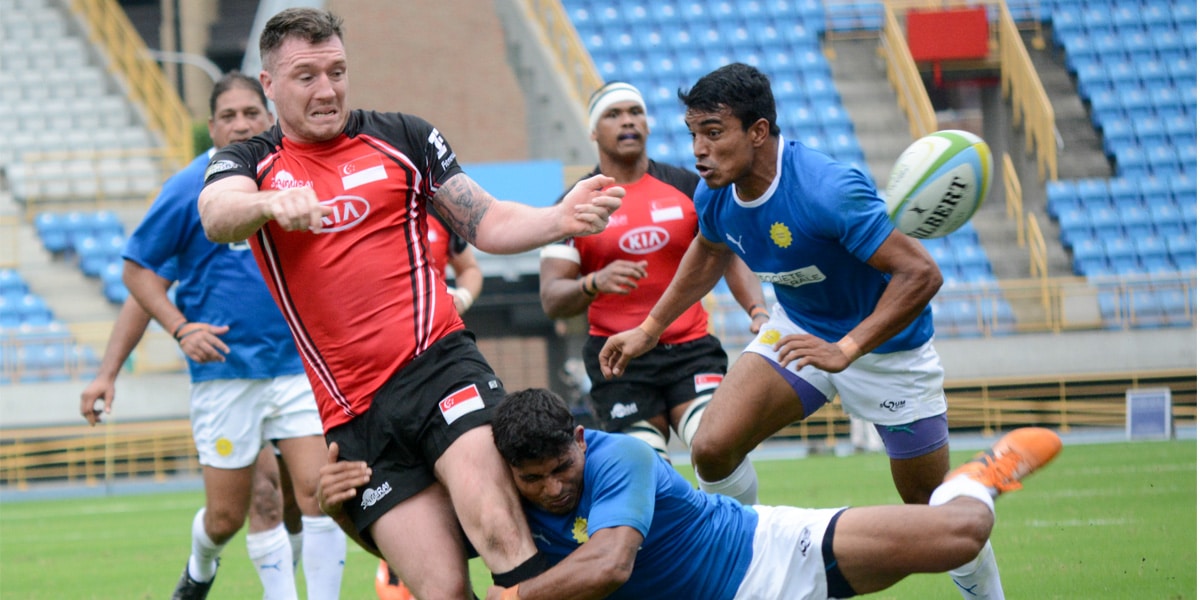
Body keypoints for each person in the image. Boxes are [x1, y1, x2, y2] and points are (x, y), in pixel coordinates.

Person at [196, 8, 623, 600]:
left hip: (440, 369)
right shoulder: (251, 161)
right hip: (356, 415)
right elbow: (217, 215)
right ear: (269, 85)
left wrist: (557, 219)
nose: (328, 90)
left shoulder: (404, 136)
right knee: (441, 591)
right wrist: (268, 206)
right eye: (306, 76)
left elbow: (487, 219)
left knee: (503, 539)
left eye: (337, 71)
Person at [597, 62, 1005, 598]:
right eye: (694, 134)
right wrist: (651, 328)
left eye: (713, 133)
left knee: (934, 511)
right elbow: (710, 249)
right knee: (713, 447)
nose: (698, 149)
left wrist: (850, 347)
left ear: (758, 131)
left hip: (888, 354)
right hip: (799, 333)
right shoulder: (716, 193)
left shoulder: (827, 190)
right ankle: (736, 564)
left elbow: (921, 273)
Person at [317, 388, 1063, 600]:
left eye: (560, 470)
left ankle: (977, 478)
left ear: (580, 441)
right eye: (533, 480)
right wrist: (352, 508)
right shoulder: (506, 503)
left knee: (957, 538)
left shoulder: (619, 459)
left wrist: (519, 598)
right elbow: (422, 559)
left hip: (771, 559)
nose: (551, 488)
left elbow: (609, 565)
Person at [120, 71, 345, 600]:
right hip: (224, 374)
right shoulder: (186, 189)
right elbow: (138, 271)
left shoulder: (295, 175)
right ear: (211, 127)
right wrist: (180, 329)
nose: (241, 124)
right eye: (229, 115)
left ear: (269, 116)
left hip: (298, 367)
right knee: (228, 516)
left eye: (251, 113)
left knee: (318, 494)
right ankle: (201, 568)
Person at [539, 81, 768, 480]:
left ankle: (742, 537)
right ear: (594, 131)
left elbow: (727, 252)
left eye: (635, 112)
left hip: (691, 349)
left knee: (717, 448)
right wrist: (594, 282)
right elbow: (552, 298)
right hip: (618, 361)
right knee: (648, 474)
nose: (627, 121)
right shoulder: (572, 205)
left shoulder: (690, 186)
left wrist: (758, 310)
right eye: (613, 114)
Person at [79, 264, 306, 590]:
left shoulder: (299, 215)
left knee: (301, 504)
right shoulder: (195, 215)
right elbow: (145, 285)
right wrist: (107, 374)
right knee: (249, 506)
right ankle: (199, 569)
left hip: (298, 372)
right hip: (229, 379)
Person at [375, 207, 483, 598]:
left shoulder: (440, 214)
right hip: (383, 371)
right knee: (406, 473)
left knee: (462, 468)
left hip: (443, 359)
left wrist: (463, 297)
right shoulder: (368, 215)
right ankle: (401, 565)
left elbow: (470, 268)